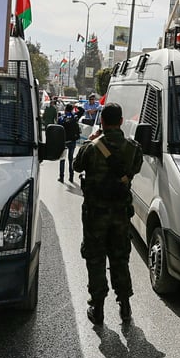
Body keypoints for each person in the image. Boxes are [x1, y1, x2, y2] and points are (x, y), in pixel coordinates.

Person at [73, 102, 143, 326]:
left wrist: (89, 140)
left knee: (95, 258)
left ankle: (98, 307)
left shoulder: (92, 147)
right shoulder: (133, 148)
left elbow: (76, 166)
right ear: (121, 121)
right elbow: (135, 168)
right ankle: (125, 306)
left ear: (102, 122)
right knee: (120, 257)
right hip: (121, 215)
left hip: (95, 214)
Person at [59, 104, 81, 183]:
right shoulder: (75, 117)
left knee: (62, 160)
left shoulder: (61, 118)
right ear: (72, 110)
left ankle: (61, 177)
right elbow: (82, 110)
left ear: (65, 109)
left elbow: (58, 129)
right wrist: (76, 106)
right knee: (71, 159)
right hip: (72, 141)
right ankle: (71, 177)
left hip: (63, 141)